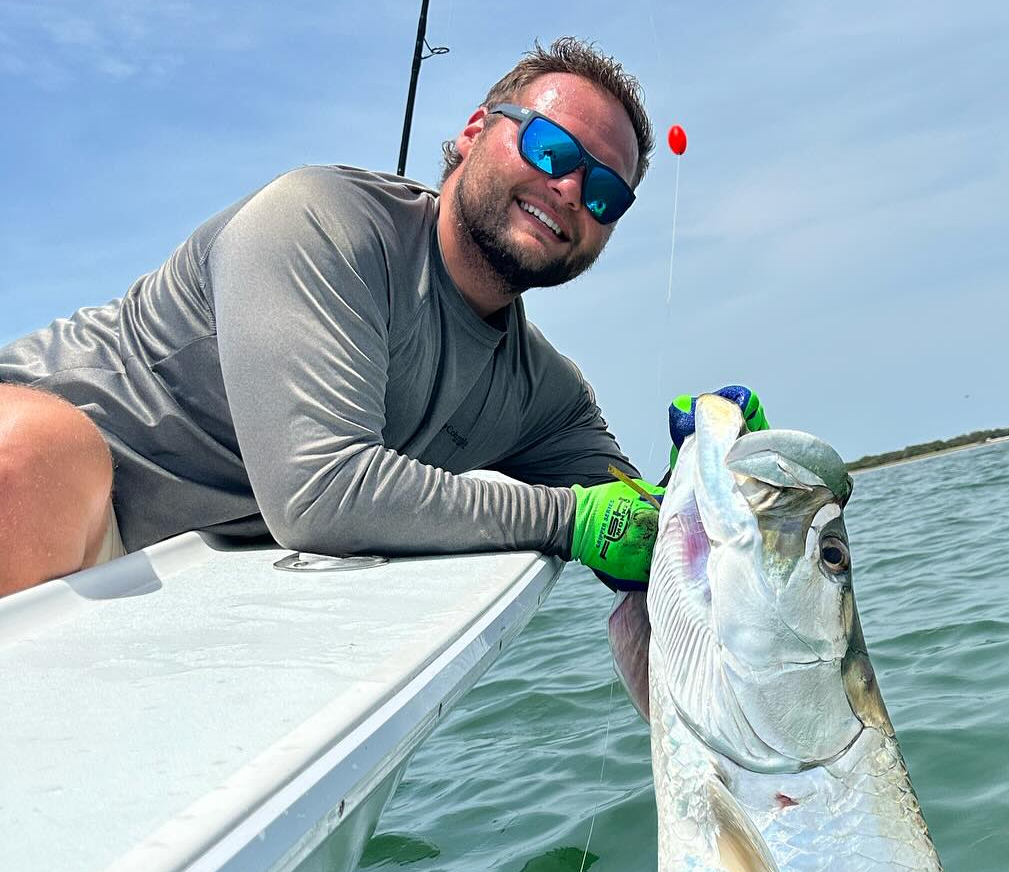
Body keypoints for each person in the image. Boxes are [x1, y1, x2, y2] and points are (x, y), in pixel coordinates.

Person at [0, 36, 740, 600]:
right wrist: (565, 520)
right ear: (475, 130)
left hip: (153, 579)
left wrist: (718, 478)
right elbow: (322, 495)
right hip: (46, 469)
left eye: (605, 193)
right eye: (550, 149)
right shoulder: (321, 223)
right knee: (34, 453)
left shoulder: (544, 394)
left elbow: (634, 522)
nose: (571, 189)